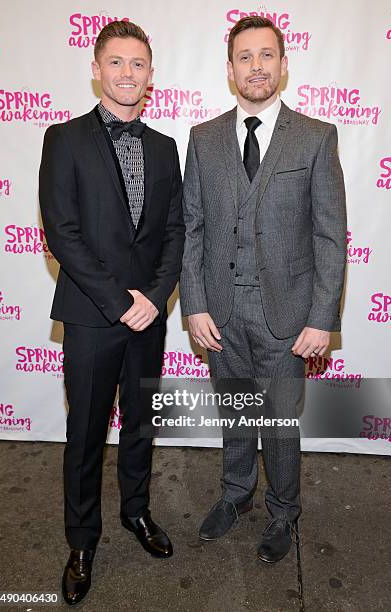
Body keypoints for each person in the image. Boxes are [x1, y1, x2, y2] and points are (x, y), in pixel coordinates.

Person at [180, 16, 346, 563]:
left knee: (277, 422)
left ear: (283, 63)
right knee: (235, 415)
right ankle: (235, 495)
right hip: (222, 314)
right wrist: (195, 305)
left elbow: (328, 234)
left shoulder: (316, 136)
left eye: (266, 55)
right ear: (230, 70)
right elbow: (193, 227)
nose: (256, 66)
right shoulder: (202, 139)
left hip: (288, 315)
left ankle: (283, 510)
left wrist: (323, 317)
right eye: (245, 57)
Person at [39, 20, 184, 605]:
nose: (128, 73)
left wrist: (154, 296)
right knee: (85, 433)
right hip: (93, 317)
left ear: (151, 75)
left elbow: (175, 232)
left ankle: (136, 513)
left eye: (139, 64)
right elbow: (63, 234)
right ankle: (81, 539)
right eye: (117, 63)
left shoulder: (166, 147)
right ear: (97, 69)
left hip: (149, 317)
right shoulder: (64, 139)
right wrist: (121, 301)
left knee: (141, 425)